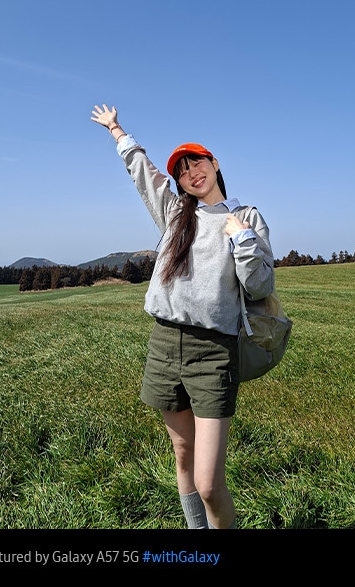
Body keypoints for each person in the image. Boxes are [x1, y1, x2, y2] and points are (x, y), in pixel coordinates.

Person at [90, 104, 275, 527]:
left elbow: (261, 286)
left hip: (213, 352)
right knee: (183, 456)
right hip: (163, 344)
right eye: (184, 170)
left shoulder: (245, 218)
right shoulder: (177, 214)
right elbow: (143, 173)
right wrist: (118, 131)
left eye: (198, 162)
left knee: (209, 483)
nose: (192, 172)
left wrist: (242, 240)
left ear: (214, 164)